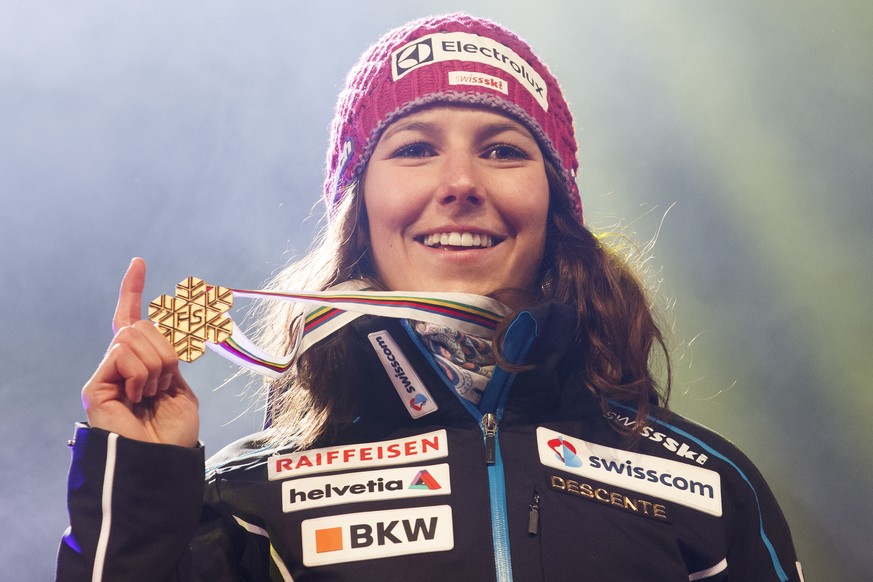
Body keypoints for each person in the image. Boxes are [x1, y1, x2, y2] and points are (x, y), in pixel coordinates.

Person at [57, 13, 803, 582]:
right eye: (414, 148)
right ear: (359, 206)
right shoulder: (252, 497)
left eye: (503, 150)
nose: (460, 184)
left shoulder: (705, 483)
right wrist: (140, 487)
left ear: (555, 206)